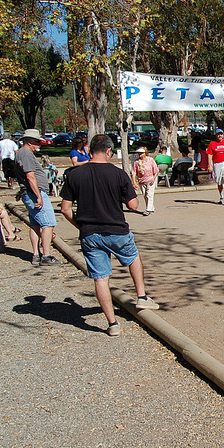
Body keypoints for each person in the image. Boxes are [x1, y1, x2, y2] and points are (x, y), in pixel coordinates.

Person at [60, 134, 160, 337]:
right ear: (108, 151)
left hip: (89, 233)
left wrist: (80, 225)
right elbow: (133, 205)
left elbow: (65, 209)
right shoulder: (118, 174)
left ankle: (112, 323)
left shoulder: (74, 175)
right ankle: (141, 296)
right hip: (116, 229)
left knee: (101, 278)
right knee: (133, 258)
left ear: (90, 151)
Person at [15, 129, 62, 266]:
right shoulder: (26, 154)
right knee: (48, 224)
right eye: (37, 142)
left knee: (35, 224)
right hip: (34, 194)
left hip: (30, 193)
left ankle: (36, 254)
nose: (39, 144)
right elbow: (30, 176)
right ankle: (46, 256)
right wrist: (38, 196)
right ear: (29, 142)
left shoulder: (23, 153)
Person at [206, 128, 224, 204]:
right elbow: (209, 155)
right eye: (218, 134)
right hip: (217, 164)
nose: (220, 135)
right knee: (219, 182)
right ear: (216, 135)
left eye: (221, 134)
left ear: (223, 135)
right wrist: (210, 165)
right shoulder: (212, 144)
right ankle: (222, 197)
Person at [131, 147, 158, 216]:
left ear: (145, 153)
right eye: (139, 153)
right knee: (145, 195)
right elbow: (134, 172)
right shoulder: (136, 162)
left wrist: (153, 178)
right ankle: (151, 207)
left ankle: (148, 209)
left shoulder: (150, 160)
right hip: (141, 181)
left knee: (149, 194)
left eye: (141, 153)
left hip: (150, 180)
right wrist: (134, 182)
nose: (140, 154)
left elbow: (156, 170)